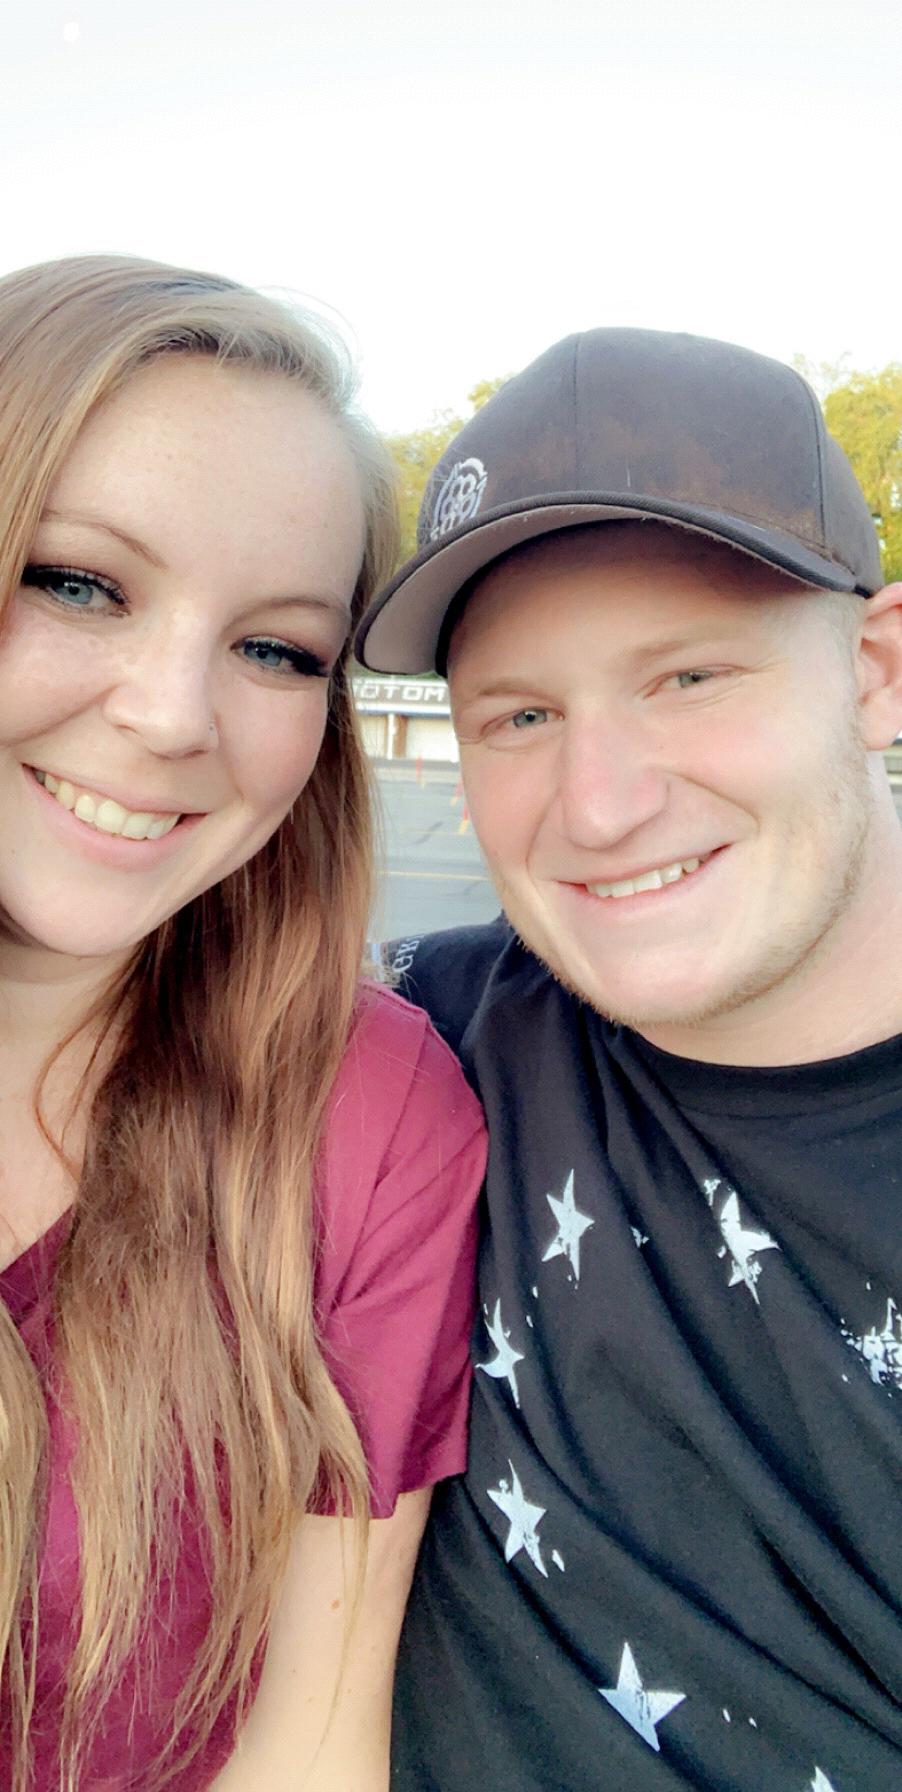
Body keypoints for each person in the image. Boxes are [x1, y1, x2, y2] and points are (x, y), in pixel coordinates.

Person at [355, 329, 902, 1790]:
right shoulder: (419, 1042)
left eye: (687, 677)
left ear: (875, 670)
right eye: (521, 716)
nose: (597, 809)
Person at [0, 254, 485, 1792]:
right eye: (79, 581)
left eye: (276, 647)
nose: (171, 714)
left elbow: (312, 1743)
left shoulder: (371, 1119)